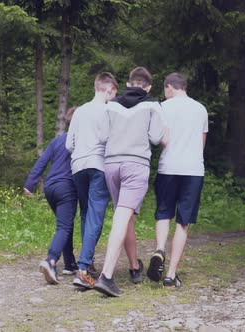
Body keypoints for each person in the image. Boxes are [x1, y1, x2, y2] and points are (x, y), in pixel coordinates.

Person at [93, 67, 166, 297]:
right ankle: (106, 276)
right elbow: (155, 137)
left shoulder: (112, 104)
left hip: (112, 165)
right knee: (122, 218)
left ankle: (135, 267)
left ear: (128, 83)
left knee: (125, 218)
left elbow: (103, 136)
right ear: (149, 86)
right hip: (135, 165)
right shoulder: (153, 104)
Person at [66, 72, 140, 289]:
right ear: (109, 89)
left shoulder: (79, 112)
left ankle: (86, 265)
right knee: (95, 217)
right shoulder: (109, 110)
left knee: (86, 214)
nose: (114, 97)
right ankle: (83, 269)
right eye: (114, 93)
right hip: (98, 165)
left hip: (78, 166)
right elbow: (111, 139)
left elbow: (68, 145)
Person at [146, 72, 208, 288]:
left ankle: (160, 249)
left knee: (164, 213)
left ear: (169, 87)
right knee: (183, 222)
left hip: (168, 167)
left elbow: (161, 139)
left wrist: (172, 146)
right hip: (193, 169)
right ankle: (171, 275)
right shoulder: (200, 109)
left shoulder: (163, 107)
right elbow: (202, 143)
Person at [24, 106, 79, 285]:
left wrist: (30, 184)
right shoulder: (81, 142)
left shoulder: (57, 141)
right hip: (66, 187)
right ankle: (51, 260)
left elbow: (42, 162)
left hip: (50, 187)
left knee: (65, 223)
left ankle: (69, 263)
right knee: (64, 227)